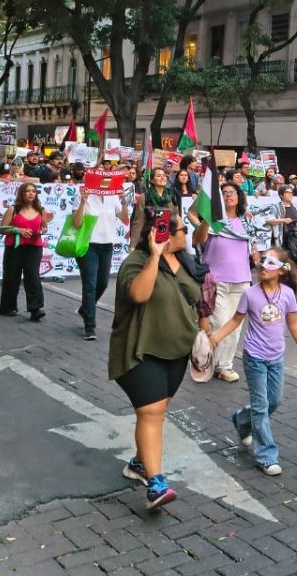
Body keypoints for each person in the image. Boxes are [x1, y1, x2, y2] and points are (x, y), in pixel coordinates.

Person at [110, 210, 198, 510]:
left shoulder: (184, 261)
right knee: (151, 411)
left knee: (158, 412)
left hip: (177, 351)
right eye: (182, 229)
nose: (186, 234)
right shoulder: (136, 262)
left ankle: (139, 462)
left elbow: (194, 297)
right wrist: (154, 255)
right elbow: (139, 294)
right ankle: (156, 482)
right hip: (141, 348)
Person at [210, 249, 297, 477]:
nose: (263, 265)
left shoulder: (287, 294)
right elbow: (236, 320)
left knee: (273, 401)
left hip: (276, 357)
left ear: (282, 270)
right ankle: (266, 456)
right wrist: (216, 337)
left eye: (270, 262)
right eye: (262, 261)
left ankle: (241, 419)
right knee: (261, 406)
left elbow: (292, 324)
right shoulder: (250, 294)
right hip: (254, 357)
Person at [193, 182, 258, 383]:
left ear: (239, 198)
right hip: (217, 280)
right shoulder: (214, 222)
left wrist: (264, 265)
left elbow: (254, 248)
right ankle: (207, 360)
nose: (229, 196)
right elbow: (198, 240)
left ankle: (224, 366)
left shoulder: (246, 222)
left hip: (241, 281)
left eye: (232, 193)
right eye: (224, 193)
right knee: (220, 323)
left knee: (235, 326)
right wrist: (206, 221)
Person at [72, 176, 131, 341]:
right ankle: (90, 326)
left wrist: (123, 200)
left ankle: (85, 309)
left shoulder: (112, 196)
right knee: (90, 284)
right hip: (88, 245)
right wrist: (83, 201)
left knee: (103, 283)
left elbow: (125, 218)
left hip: (107, 245)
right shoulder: (84, 194)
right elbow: (76, 223)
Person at [0, 181, 49, 321]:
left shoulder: (41, 210)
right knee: (12, 277)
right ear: (22, 193)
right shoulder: (13, 209)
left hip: (34, 247)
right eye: (28, 191)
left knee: (33, 277)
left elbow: (45, 227)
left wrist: (41, 231)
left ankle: (35, 309)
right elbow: (2, 229)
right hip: (14, 248)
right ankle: (8, 307)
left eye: (33, 191)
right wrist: (17, 230)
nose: (31, 193)